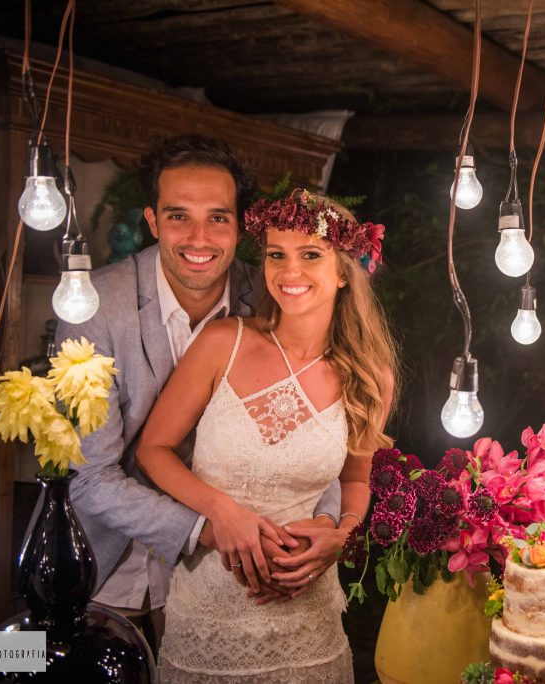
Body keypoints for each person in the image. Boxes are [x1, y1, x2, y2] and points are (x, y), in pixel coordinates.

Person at [44, 135, 342, 654]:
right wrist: (208, 524)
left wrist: (329, 523)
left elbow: (321, 425)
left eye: (218, 218)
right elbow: (89, 477)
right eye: (178, 216)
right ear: (153, 221)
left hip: (238, 580)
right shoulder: (94, 308)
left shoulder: (277, 294)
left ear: (240, 226)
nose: (199, 237)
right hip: (110, 564)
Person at [137, 189, 398, 682]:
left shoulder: (370, 377)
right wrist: (222, 510)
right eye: (276, 254)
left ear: (343, 271)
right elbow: (153, 450)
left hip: (310, 622)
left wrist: (341, 536)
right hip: (208, 610)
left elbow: (357, 480)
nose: (289, 271)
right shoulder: (222, 343)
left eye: (310, 255)